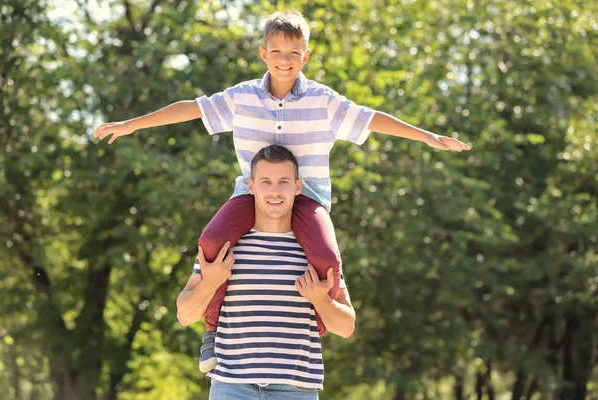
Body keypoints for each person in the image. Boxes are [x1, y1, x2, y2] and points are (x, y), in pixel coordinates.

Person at [94, 9, 471, 372]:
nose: (285, 60)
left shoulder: (323, 101)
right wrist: (131, 124)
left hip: (309, 199)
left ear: (305, 55)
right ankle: (211, 331)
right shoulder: (242, 97)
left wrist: (428, 137)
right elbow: (191, 108)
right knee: (211, 240)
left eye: (293, 53)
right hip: (252, 193)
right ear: (263, 54)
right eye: (276, 52)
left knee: (324, 253)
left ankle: (320, 323)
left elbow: (371, 118)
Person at [176, 145, 355, 399]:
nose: (274, 191)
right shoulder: (228, 246)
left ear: (297, 187)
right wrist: (209, 284)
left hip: (296, 390)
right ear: (250, 186)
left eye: (283, 182)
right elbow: (184, 314)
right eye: (265, 181)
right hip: (232, 387)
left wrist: (320, 299)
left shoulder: (314, 250)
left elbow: (347, 327)